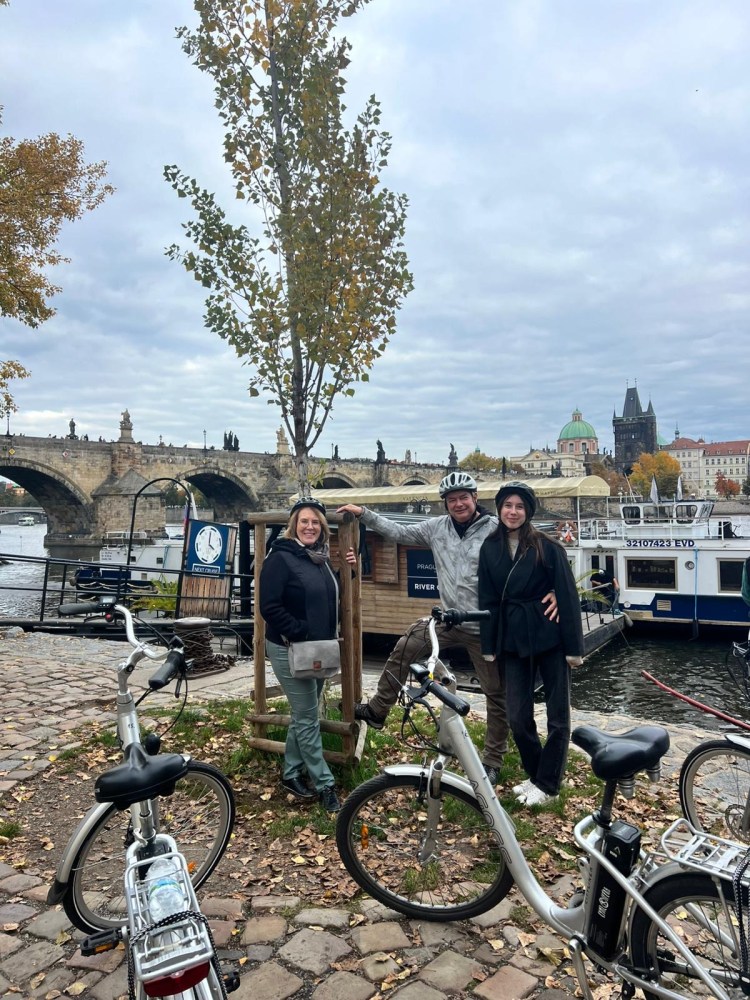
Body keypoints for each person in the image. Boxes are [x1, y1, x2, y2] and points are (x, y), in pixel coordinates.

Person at [337, 472, 558, 786]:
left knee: (496, 694)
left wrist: (555, 588)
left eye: (463, 498)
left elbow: (534, 553)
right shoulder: (435, 528)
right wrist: (364, 514)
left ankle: (492, 760)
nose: (458, 504)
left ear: (474, 498)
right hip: (449, 619)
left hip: (486, 625)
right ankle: (377, 709)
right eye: (452, 500)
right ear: (446, 503)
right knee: (407, 645)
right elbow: (398, 531)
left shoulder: (496, 529)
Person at [478, 483, 584, 807]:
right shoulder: (489, 548)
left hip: (549, 635)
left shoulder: (547, 547)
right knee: (517, 717)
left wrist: (574, 648)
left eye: (519, 506)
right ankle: (538, 774)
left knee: (557, 717)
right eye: (507, 505)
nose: (512, 511)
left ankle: (548, 785)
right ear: (499, 509)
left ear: (528, 511)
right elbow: (488, 599)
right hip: (512, 638)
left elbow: (566, 594)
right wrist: (488, 643)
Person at [259, 496, 356, 813]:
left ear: (322, 528)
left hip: (318, 648)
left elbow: (328, 595)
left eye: (315, 522)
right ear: (293, 525)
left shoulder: (321, 558)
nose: (310, 527)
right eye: (304, 521)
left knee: (305, 713)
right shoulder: (280, 558)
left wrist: (349, 571)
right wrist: (299, 630)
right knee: (307, 716)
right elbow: (269, 607)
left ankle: (290, 773)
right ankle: (325, 783)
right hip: (289, 649)